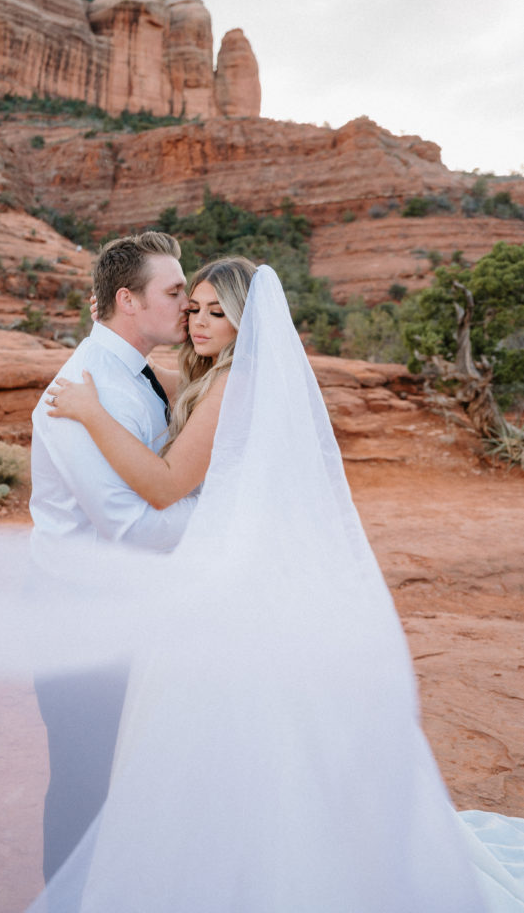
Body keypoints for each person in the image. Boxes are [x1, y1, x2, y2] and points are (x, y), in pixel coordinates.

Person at [35, 258, 524, 912]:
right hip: (228, 565)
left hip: (224, 575)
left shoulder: (232, 384)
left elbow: (163, 485)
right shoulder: (230, 376)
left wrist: (92, 412)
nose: (199, 321)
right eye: (194, 308)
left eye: (218, 312)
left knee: (212, 723)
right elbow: (176, 398)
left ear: (246, 321)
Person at [29, 231, 200, 885]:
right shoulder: (78, 390)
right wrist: (223, 512)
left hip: (131, 613)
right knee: (84, 782)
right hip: (76, 619)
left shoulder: (136, 374)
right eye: (174, 291)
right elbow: (130, 528)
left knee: (129, 773)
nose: (187, 304)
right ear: (128, 300)